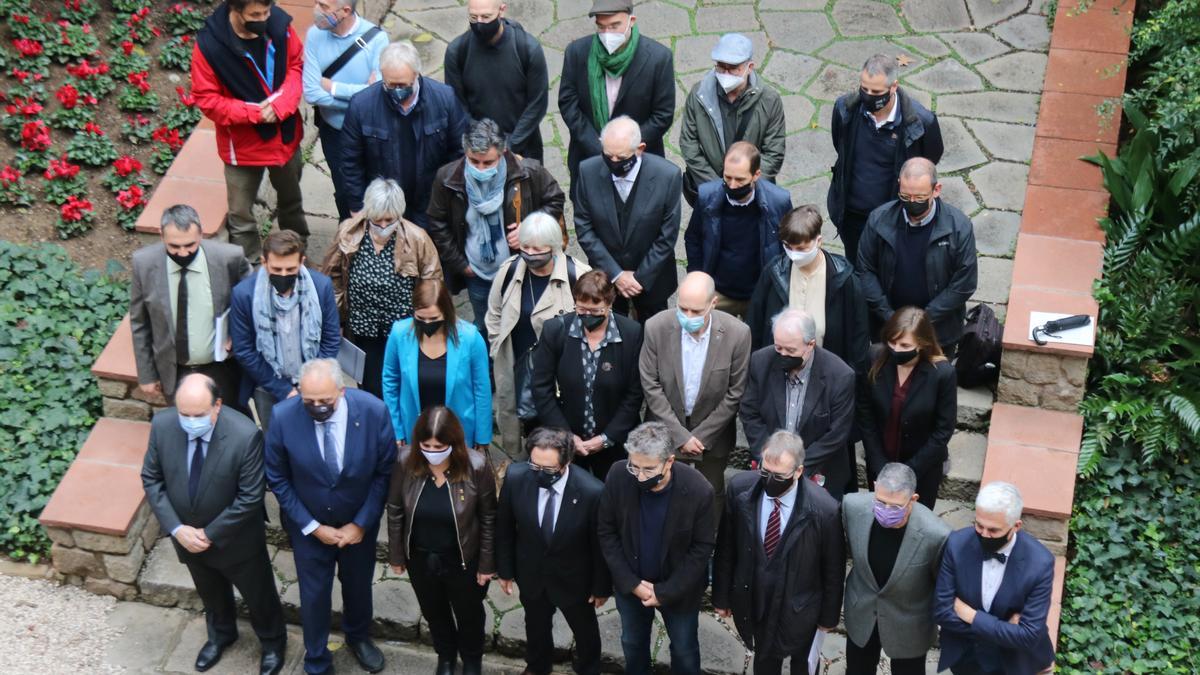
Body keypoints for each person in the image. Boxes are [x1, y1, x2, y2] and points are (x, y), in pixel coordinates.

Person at [141, 374, 286, 675]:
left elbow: (249, 497)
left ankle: (273, 643)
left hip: (237, 541)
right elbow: (151, 479)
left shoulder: (245, 435)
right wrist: (178, 529)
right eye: (184, 415)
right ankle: (221, 634)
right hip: (187, 537)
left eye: (198, 415)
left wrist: (209, 533)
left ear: (217, 405)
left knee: (259, 596)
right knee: (210, 593)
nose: (190, 421)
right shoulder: (163, 426)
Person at [263, 359, 396, 675]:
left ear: (342, 390)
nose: (318, 407)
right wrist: (311, 526)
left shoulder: (374, 411)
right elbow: (277, 477)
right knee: (313, 594)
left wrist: (361, 522)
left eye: (326, 401)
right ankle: (317, 656)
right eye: (310, 402)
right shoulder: (283, 417)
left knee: (358, 586)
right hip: (308, 525)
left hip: (357, 525)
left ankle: (359, 638)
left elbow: (384, 472)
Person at [713, 430, 844, 675]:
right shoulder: (740, 490)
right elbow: (726, 547)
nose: (770, 480)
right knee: (764, 663)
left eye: (779, 475)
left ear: (798, 472)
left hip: (801, 606)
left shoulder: (825, 510)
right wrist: (721, 596)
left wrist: (828, 618)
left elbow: (833, 570)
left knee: (803, 667)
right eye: (765, 472)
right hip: (757, 598)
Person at [426, 118, 566, 342]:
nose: (480, 168)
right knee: (485, 323)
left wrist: (530, 229)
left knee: (525, 322)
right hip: (477, 273)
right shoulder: (447, 178)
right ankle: (490, 368)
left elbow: (555, 199)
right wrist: (461, 265)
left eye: (488, 163)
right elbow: (437, 222)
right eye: (474, 161)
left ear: (503, 153)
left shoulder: (528, 171)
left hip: (521, 267)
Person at [193, 0, 308, 264]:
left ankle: (296, 256)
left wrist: (281, 104)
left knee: (291, 202)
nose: (265, 18)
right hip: (242, 148)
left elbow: (296, 65)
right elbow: (206, 98)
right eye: (256, 14)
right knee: (240, 215)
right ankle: (251, 266)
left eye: (267, 11)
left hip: (285, 138)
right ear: (235, 10)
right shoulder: (210, 46)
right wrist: (254, 113)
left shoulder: (280, 25)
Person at [596, 422, 715, 675]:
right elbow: (607, 533)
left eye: (648, 470)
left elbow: (701, 549)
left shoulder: (699, 490)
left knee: (684, 650)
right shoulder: (618, 474)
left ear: (669, 462)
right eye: (634, 467)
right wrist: (632, 584)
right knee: (632, 643)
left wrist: (665, 591)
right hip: (631, 587)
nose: (639, 476)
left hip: (679, 589)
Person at [386, 406, 496, 675]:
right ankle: (445, 656)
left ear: (453, 443)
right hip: (420, 558)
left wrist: (486, 564)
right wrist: (397, 555)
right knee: (434, 612)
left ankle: (471, 659)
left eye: (439, 445)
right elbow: (395, 509)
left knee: (469, 615)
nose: (432, 451)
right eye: (426, 445)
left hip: (462, 559)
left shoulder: (477, 467)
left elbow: (489, 519)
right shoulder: (404, 461)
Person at [495, 428, 610, 675]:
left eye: (548, 470)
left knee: (585, 631)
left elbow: (599, 544)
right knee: (535, 625)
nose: (538, 474)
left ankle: (589, 669)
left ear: (566, 462)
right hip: (532, 573)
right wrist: (504, 570)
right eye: (534, 466)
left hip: (575, 578)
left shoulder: (592, 492)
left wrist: (601, 586)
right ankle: (537, 667)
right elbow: (504, 527)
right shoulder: (516, 477)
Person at [638, 271, 750, 521]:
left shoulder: (738, 334)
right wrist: (680, 435)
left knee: (710, 493)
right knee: (660, 490)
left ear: (713, 303)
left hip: (712, 436)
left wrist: (700, 436)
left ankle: (707, 546)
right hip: (663, 431)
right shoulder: (656, 326)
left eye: (696, 312)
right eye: (683, 308)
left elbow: (735, 392)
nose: (688, 317)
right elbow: (651, 384)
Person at [321, 177, 442, 398]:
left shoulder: (417, 238)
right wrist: (336, 319)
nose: (384, 226)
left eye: (390, 220)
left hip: (402, 326)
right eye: (378, 220)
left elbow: (432, 282)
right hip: (363, 325)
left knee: (401, 382)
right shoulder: (349, 232)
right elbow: (333, 277)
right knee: (369, 384)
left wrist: (428, 323)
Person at [485, 212, 591, 458]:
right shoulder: (509, 272)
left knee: (557, 432)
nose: (530, 254)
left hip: (559, 375)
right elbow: (494, 314)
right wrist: (496, 347)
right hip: (517, 365)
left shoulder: (578, 275)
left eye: (538, 249)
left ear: (554, 247)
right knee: (521, 425)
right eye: (525, 247)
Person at [828, 54, 944, 265]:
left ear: (893, 87)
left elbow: (928, 161)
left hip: (894, 217)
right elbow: (840, 147)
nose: (869, 96)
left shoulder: (921, 122)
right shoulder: (845, 108)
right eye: (864, 89)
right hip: (851, 215)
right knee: (856, 268)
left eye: (876, 92)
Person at [130, 205, 251, 406]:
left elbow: (251, 300)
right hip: (174, 370)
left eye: (190, 245)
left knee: (230, 425)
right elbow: (139, 322)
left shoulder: (229, 259)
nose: (183, 253)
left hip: (222, 367)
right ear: (161, 236)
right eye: (174, 247)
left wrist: (237, 331)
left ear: (201, 234)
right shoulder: (144, 264)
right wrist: (146, 374)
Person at [857, 157, 978, 358]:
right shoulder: (879, 220)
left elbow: (964, 283)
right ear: (899, 186)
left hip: (939, 331)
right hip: (888, 327)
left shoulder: (958, 227)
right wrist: (889, 316)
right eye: (906, 196)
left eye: (920, 198)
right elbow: (865, 269)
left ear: (936, 190)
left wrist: (922, 320)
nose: (912, 202)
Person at [340, 41, 469, 227]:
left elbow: (459, 154)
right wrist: (357, 206)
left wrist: (450, 201)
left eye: (402, 84)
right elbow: (350, 161)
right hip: (384, 207)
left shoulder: (444, 100)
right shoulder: (361, 106)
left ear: (416, 74)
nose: (397, 91)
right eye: (390, 85)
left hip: (431, 202)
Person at [530, 270, 643, 479]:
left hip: (615, 443)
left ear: (610, 304)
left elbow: (634, 394)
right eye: (581, 309)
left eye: (595, 310)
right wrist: (566, 435)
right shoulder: (556, 330)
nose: (587, 316)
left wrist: (607, 437)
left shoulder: (631, 333)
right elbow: (541, 387)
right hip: (566, 438)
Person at [934, 482, 1057, 675]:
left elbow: (1029, 635)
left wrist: (972, 616)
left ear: (1016, 526)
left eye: (993, 530)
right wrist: (1005, 630)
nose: (983, 534)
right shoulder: (956, 544)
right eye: (979, 525)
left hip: (1015, 662)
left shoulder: (1040, 563)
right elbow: (942, 611)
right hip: (966, 657)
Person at [842, 463, 950, 675]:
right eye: (881, 502)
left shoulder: (937, 535)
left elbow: (941, 586)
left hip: (909, 623)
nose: (886, 511)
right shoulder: (851, 507)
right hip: (862, 613)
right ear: (874, 487)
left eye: (895, 506)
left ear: (913, 500)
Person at [573, 116, 682, 322]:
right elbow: (584, 227)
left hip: (653, 278)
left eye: (621, 158)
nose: (613, 163)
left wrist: (640, 277)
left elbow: (667, 235)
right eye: (608, 156)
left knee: (653, 334)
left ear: (640, 148)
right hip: (606, 278)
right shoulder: (587, 171)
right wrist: (616, 275)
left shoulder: (668, 176)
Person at [229, 230, 341, 430]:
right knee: (274, 440)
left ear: (301, 262)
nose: (283, 275)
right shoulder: (244, 294)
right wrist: (282, 388)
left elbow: (331, 338)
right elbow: (244, 350)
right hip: (267, 386)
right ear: (264, 263)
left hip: (315, 384)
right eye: (277, 269)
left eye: (290, 269)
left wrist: (310, 381)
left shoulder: (321, 287)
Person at [558, 0, 674, 191]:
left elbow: (663, 115)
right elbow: (568, 104)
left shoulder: (658, 58)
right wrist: (597, 146)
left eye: (614, 26)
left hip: (639, 161)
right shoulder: (577, 53)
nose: (607, 34)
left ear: (632, 20)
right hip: (589, 158)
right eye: (601, 27)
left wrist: (625, 147)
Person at [739, 308, 856, 499]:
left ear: (810, 345)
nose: (782, 354)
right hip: (770, 468)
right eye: (778, 348)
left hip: (819, 471)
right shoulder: (761, 362)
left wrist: (795, 468)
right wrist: (770, 459)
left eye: (790, 350)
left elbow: (837, 434)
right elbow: (749, 413)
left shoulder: (840, 375)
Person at [745, 204, 870, 368]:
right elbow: (755, 323)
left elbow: (859, 336)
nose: (794, 254)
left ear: (818, 241)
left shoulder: (844, 279)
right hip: (779, 366)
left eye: (801, 248)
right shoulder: (774, 272)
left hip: (826, 370)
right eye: (788, 247)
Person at [858, 307, 956, 508]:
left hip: (922, 467)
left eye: (904, 345)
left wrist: (908, 471)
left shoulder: (942, 374)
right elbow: (865, 412)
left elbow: (943, 430)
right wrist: (878, 463)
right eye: (892, 342)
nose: (896, 349)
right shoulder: (875, 357)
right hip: (880, 460)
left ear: (921, 343)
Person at [301, 0, 388, 221]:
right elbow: (311, 93)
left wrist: (334, 87)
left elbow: (378, 93)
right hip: (335, 132)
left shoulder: (377, 39)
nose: (317, 10)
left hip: (369, 130)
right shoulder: (314, 36)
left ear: (346, 11)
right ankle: (349, 234)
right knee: (344, 190)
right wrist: (361, 94)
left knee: (375, 186)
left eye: (324, 5)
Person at [381, 279, 492, 448]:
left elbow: (482, 389)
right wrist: (396, 429)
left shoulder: (470, 338)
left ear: (447, 312)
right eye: (420, 318)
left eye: (434, 318)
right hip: (415, 430)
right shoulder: (399, 333)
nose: (427, 324)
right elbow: (390, 381)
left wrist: (482, 436)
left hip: (458, 431)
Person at [683, 142, 791, 318]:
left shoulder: (778, 202)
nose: (732, 185)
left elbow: (787, 244)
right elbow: (693, 238)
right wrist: (698, 277)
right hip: (719, 292)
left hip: (759, 293)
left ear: (756, 175)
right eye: (727, 177)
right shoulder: (706, 196)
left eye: (740, 180)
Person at [678, 33, 785, 207]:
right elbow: (688, 144)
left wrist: (745, 186)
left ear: (749, 67)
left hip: (752, 193)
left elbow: (774, 152)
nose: (726, 73)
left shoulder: (769, 100)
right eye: (721, 67)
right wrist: (716, 187)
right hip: (711, 191)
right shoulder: (699, 95)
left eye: (733, 68)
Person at [444, 0, 549, 161]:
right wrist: (484, 144)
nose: (479, 23)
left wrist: (510, 145)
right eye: (473, 17)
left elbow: (537, 104)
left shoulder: (527, 49)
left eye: (486, 17)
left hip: (523, 148)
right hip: (479, 153)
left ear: (502, 11)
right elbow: (457, 106)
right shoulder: (457, 52)